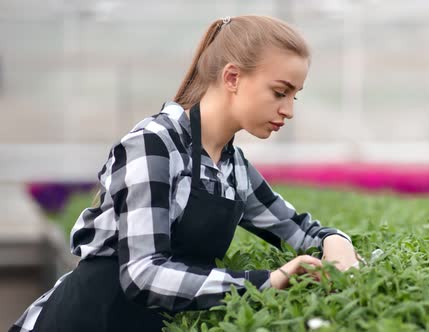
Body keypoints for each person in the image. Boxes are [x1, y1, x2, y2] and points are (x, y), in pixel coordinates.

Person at [10, 15, 360, 332]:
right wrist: (265, 280)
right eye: (279, 92)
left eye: (294, 97)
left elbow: (301, 230)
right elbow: (142, 275)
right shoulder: (153, 146)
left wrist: (336, 243)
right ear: (233, 77)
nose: (288, 110)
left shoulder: (232, 167)